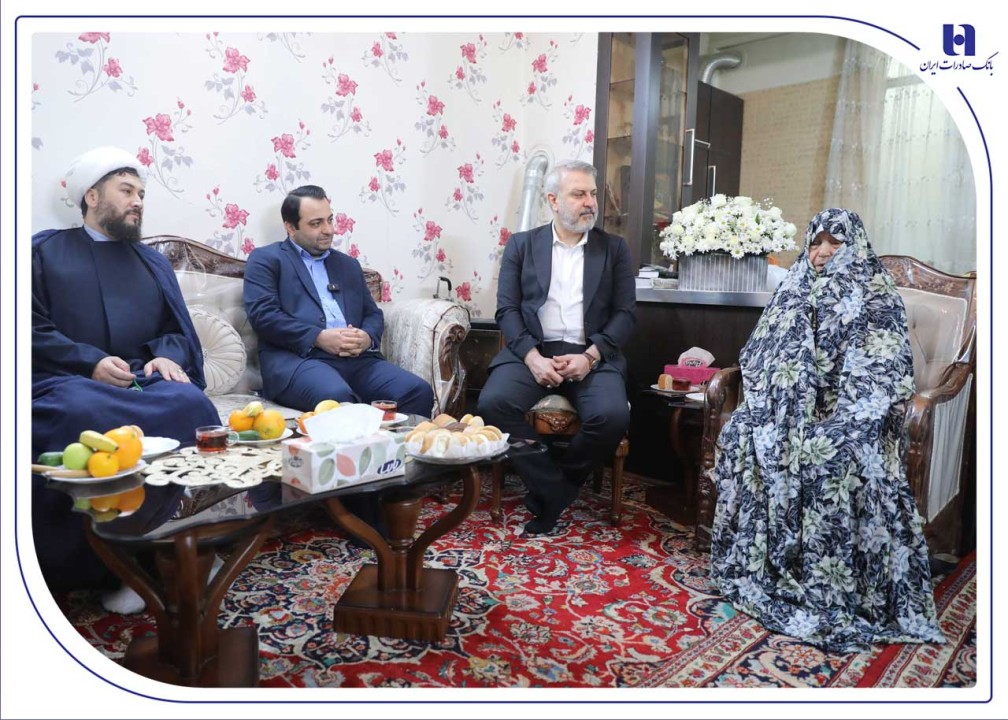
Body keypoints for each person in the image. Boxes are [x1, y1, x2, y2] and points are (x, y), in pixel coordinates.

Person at [708, 208, 945, 652]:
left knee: (833, 451)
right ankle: (763, 567)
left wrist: (840, 417)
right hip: (787, 408)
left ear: (853, 246)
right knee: (744, 430)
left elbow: (882, 368)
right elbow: (761, 353)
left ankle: (830, 587)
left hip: (854, 412)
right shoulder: (792, 288)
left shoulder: (876, 295)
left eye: (834, 242)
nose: (822, 252)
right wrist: (785, 407)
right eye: (815, 242)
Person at [32, 146, 220, 604]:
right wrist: (89, 362)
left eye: (141, 193)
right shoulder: (42, 251)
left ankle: (166, 548)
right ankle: (104, 568)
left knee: (192, 404)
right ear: (92, 197)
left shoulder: (152, 262)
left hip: (138, 380)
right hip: (64, 380)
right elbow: (26, 327)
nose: (138, 201)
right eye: (127, 191)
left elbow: (177, 330)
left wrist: (166, 357)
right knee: (81, 412)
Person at [478, 160, 635, 535]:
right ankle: (555, 489)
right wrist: (532, 358)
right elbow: (507, 310)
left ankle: (557, 484)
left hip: (591, 352)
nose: (590, 202)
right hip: (532, 349)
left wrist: (590, 357)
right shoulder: (521, 245)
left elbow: (625, 314)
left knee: (612, 415)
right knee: (492, 405)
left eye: (592, 193)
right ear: (553, 200)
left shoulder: (614, 248)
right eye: (579, 194)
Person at [243, 184, 434, 417]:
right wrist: (318, 337)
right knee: (336, 397)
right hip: (299, 361)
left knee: (417, 391)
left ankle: (392, 443)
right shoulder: (266, 259)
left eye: (329, 220)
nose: (329, 230)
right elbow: (264, 316)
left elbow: (372, 313)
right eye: (316, 223)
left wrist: (366, 337)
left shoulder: (347, 264)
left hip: (358, 360)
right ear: (291, 227)